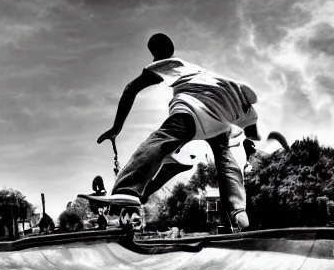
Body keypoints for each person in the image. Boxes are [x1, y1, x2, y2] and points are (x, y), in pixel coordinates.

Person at [96, 33, 260, 230]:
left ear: (156, 54)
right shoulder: (199, 71)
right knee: (225, 159)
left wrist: (116, 128)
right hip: (222, 113)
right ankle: (238, 210)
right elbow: (251, 130)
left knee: (160, 140)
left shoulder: (166, 63)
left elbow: (130, 89)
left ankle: (128, 189)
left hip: (193, 107)